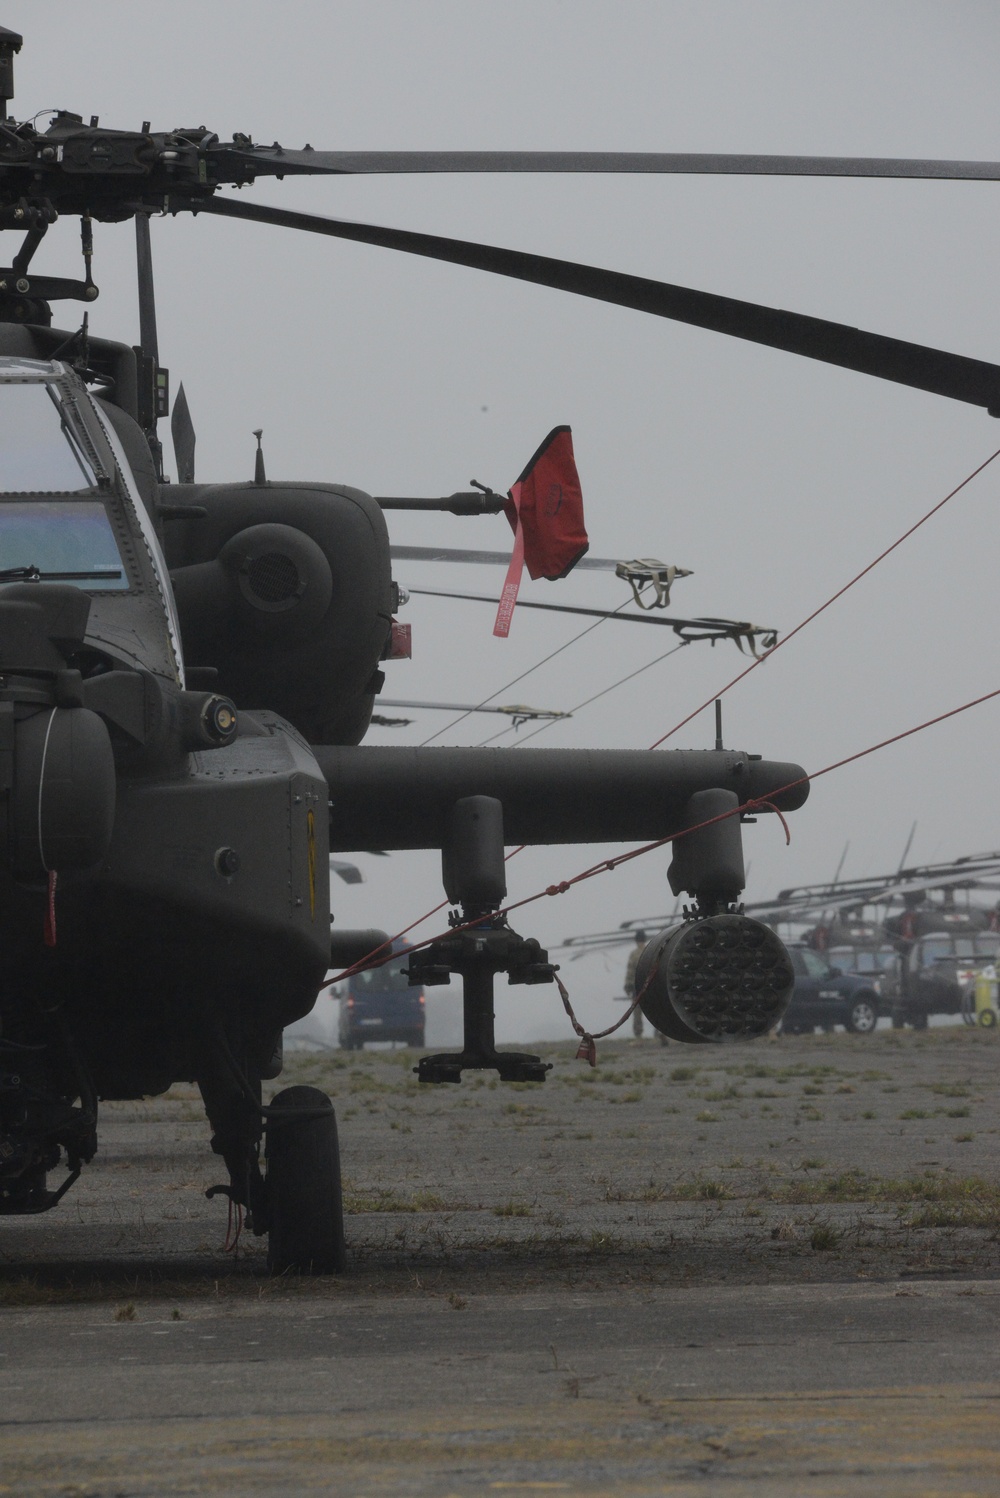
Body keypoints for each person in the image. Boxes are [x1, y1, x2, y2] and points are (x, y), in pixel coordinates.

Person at [625, 930, 648, 1038]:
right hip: (651, 986)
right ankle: (661, 1034)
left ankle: (638, 1036)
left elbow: (630, 971)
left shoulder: (634, 954)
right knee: (656, 1011)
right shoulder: (650, 951)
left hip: (638, 987)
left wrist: (628, 986)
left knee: (637, 1013)